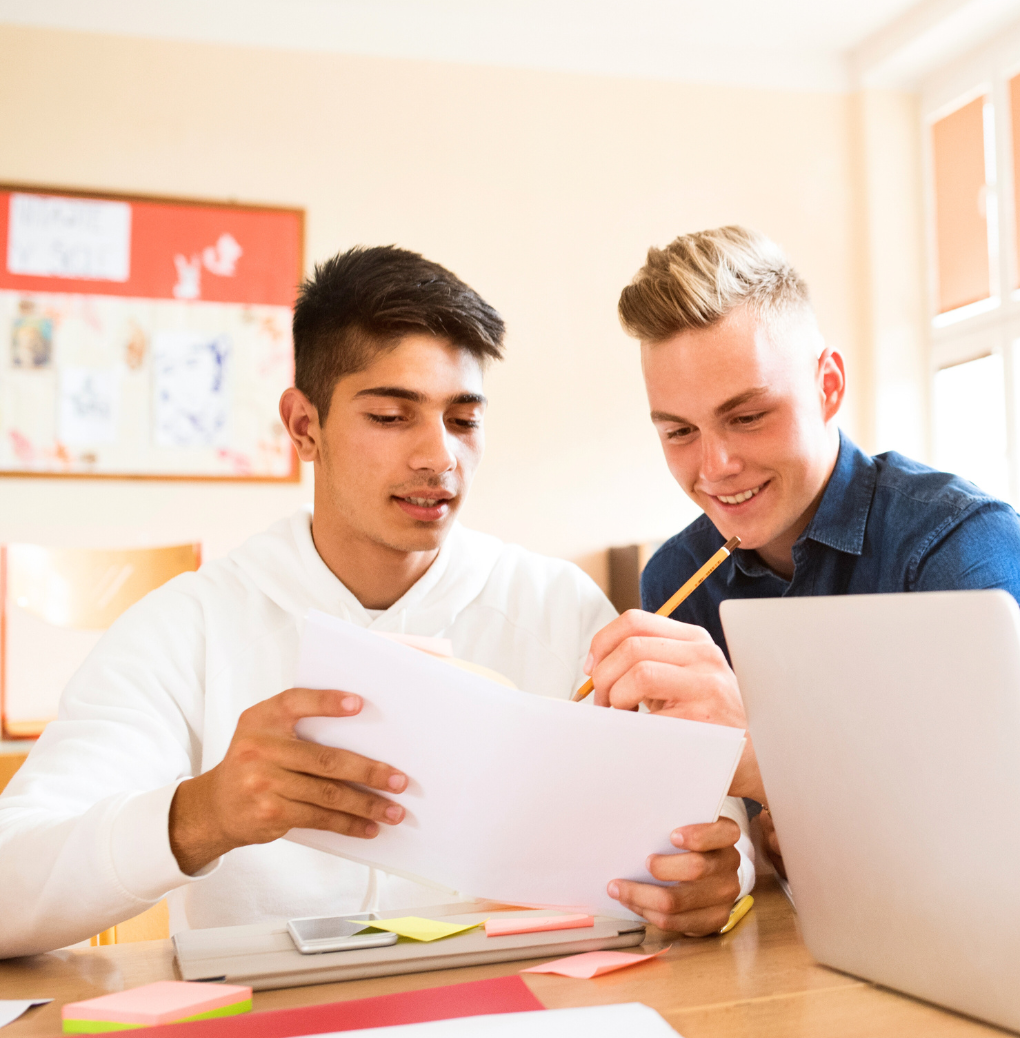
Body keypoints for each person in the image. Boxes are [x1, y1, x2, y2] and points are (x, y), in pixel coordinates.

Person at [0, 246, 751, 958]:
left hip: (518, 1008)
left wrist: (719, 875)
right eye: (391, 417)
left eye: (464, 420)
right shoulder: (187, 627)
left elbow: (712, 832)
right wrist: (203, 814)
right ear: (304, 426)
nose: (437, 457)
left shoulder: (557, 607)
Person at [580, 226, 1020, 814]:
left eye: (749, 416)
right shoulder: (676, 578)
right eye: (680, 432)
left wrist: (765, 760)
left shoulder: (960, 545)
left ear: (828, 387)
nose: (715, 468)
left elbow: (1014, 815)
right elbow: (715, 831)